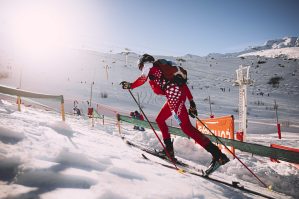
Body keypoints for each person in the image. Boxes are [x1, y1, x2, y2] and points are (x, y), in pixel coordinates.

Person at [120, 54, 229, 173]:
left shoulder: (149, 66)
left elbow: (142, 79)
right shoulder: (162, 71)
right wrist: (191, 102)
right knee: (160, 120)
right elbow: (182, 84)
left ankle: (218, 156)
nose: (141, 69)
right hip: (174, 96)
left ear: (144, 63)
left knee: (187, 128)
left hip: (174, 97)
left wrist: (131, 85)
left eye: (140, 66)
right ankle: (169, 151)